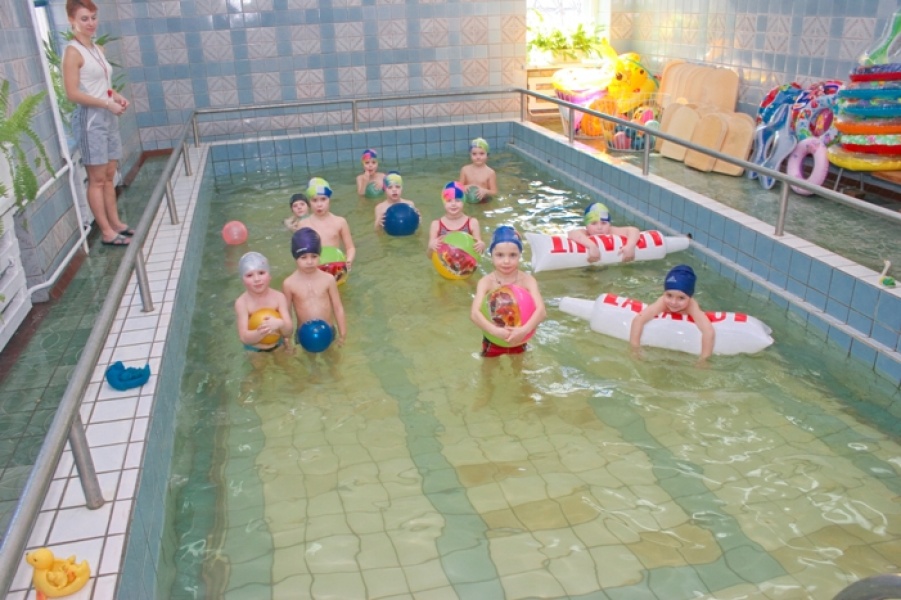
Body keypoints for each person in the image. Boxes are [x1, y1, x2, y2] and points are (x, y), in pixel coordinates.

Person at [63, 0, 133, 247]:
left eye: (93, 17)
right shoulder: (73, 52)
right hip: (90, 119)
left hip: (107, 115)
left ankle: (116, 223)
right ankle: (106, 231)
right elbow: (72, 93)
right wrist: (105, 103)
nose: (91, 23)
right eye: (84, 18)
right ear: (72, 20)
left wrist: (116, 97)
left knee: (109, 174)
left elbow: (102, 86)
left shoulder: (97, 48)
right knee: (97, 179)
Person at [470, 226, 546, 357]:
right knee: (489, 367)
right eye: (500, 255)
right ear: (491, 255)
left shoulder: (527, 281)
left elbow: (542, 311)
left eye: (513, 255)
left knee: (519, 366)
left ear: (520, 255)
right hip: (493, 338)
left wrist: (524, 330)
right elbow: (474, 313)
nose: (506, 261)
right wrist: (494, 331)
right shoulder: (486, 282)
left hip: (520, 337)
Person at [629, 264, 715, 364]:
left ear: (690, 297)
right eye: (669, 295)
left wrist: (703, 360)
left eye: (681, 298)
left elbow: (708, 331)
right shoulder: (662, 302)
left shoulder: (691, 306)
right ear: (664, 292)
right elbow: (638, 320)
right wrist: (635, 349)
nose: (673, 302)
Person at [283, 227, 347, 347]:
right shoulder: (289, 283)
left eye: (314, 256)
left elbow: (338, 308)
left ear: (320, 255)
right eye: (303, 257)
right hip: (303, 335)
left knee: (334, 357)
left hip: (328, 331)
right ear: (295, 257)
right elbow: (287, 314)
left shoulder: (328, 279)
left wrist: (342, 335)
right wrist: (287, 341)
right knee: (306, 358)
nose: (309, 262)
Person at [234, 252, 293, 352]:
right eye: (249, 275)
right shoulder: (242, 303)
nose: (257, 279)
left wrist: (280, 324)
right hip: (255, 349)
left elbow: (289, 331)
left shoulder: (279, 297)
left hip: (278, 344)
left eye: (261, 273)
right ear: (242, 280)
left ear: (269, 276)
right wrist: (261, 332)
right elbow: (244, 337)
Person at [303, 177, 356, 272]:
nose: (319, 204)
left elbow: (350, 247)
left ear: (329, 200)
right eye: (314, 200)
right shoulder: (304, 224)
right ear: (309, 202)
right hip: (314, 270)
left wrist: (348, 261)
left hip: (336, 268)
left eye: (323, 199)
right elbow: (300, 253)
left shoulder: (340, 222)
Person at [567, 202, 642, 263]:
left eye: (604, 223)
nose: (599, 227)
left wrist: (630, 246)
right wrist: (592, 246)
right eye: (594, 223)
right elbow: (572, 233)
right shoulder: (586, 233)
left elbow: (633, 230)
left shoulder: (611, 231)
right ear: (586, 226)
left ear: (609, 224)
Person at [427, 181, 485, 257]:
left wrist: (481, 245)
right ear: (444, 203)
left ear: (463, 202)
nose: (453, 204)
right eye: (449, 201)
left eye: (458, 200)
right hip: (444, 262)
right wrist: (431, 247)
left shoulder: (472, 223)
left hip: (466, 262)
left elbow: (479, 253)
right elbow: (429, 255)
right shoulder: (436, 225)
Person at [459, 137, 498, 202]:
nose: (478, 157)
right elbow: (458, 187)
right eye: (474, 154)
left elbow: (494, 192)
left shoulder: (490, 172)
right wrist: (464, 187)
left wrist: (485, 191)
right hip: (468, 200)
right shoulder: (464, 170)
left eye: (481, 153)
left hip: (484, 201)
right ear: (470, 155)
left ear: (487, 155)